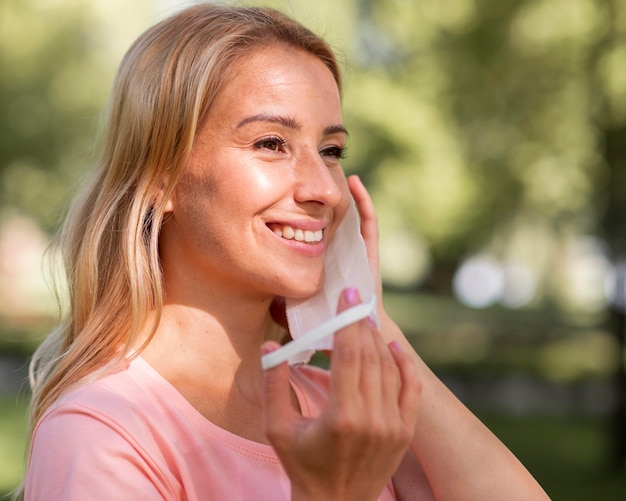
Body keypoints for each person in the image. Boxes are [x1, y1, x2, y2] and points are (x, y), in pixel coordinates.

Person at [17, 4, 549, 500]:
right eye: (271, 143)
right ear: (161, 177)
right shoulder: (103, 431)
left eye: (331, 151)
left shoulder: (340, 412)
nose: (325, 188)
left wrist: (369, 319)